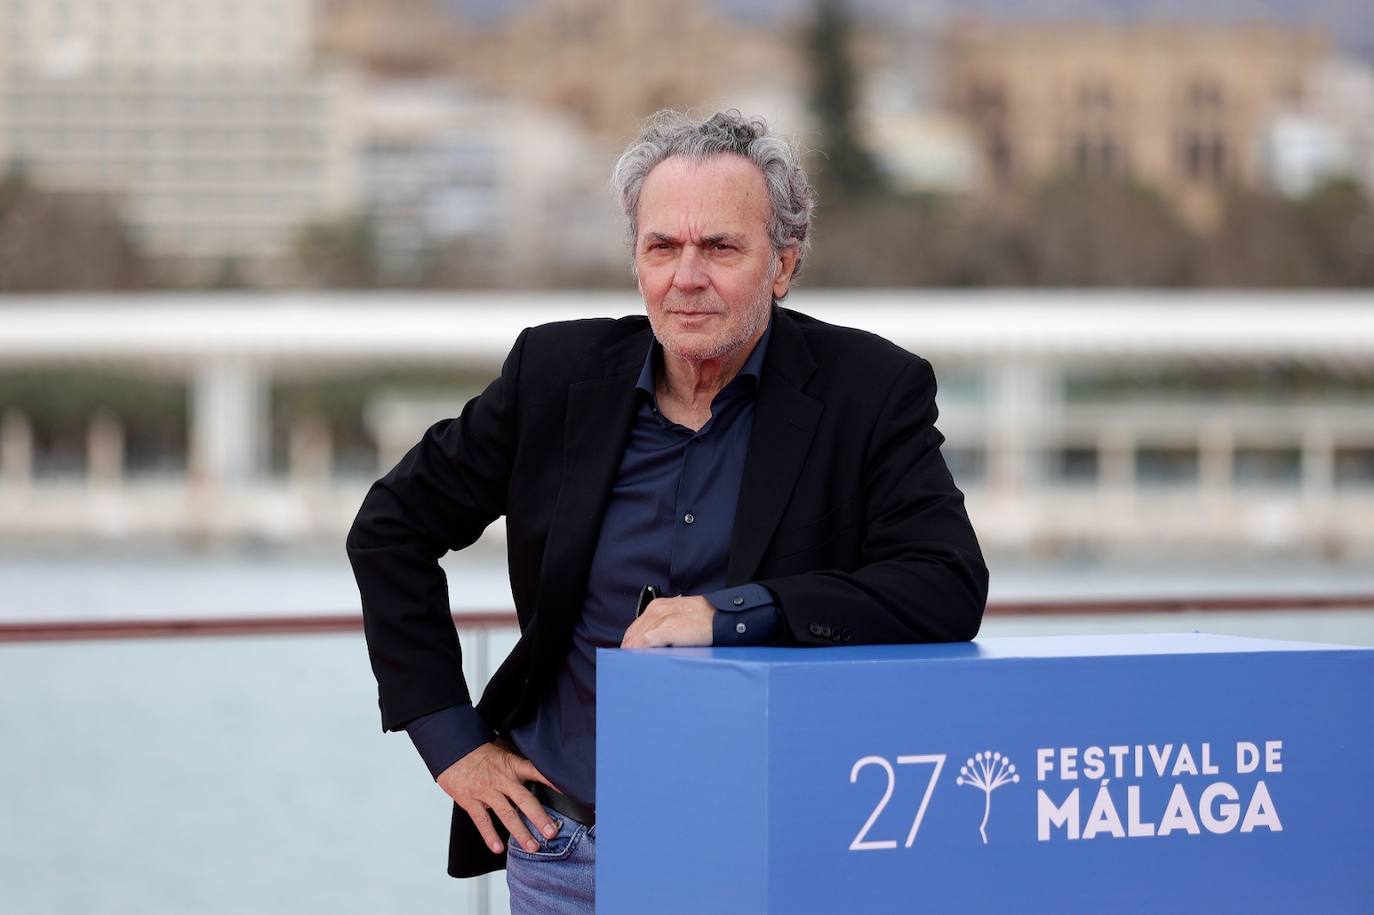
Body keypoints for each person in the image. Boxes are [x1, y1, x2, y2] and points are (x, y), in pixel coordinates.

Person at [346, 109, 987, 913]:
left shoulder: (869, 391)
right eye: (662, 247)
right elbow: (390, 529)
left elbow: (946, 583)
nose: (686, 276)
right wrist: (451, 741)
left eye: (720, 247)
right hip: (565, 853)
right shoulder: (553, 373)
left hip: (772, 856)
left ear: (782, 264)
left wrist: (733, 613)